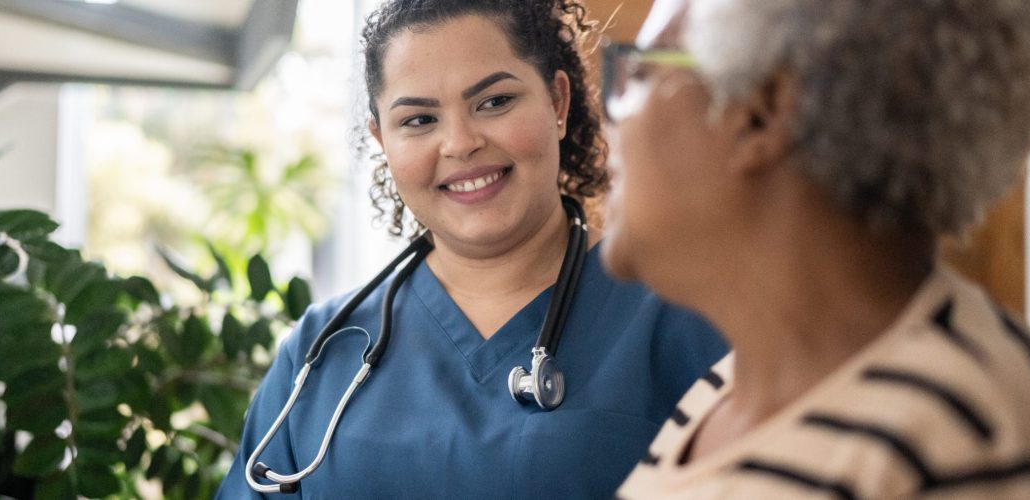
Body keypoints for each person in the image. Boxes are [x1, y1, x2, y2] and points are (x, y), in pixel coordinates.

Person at [601, 0, 1030, 498]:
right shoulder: (717, 396)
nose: (611, 116)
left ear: (758, 111)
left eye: (639, 73)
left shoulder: (980, 438)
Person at [216, 0, 728, 497]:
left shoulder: (686, 313)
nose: (460, 143)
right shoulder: (324, 349)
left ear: (557, 102)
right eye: (418, 120)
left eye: (494, 102)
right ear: (382, 140)